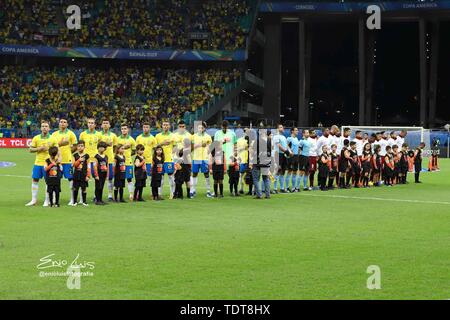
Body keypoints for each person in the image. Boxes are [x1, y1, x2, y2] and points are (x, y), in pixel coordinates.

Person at [26, 120, 59, 207]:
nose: (44, 128)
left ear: (49, 128)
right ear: (41, 128)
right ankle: (33, 200)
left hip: (48, 164)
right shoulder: (36, 138)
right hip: (37, 163)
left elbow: (57, 151)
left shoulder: (53, 139)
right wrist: (39, 149)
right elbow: (30, 149)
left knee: (48, 182)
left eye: (46, 126)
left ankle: (47, 200)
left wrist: (56, 161)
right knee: (35, 180)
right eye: (43, 126)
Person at [51, 118, 77, 205]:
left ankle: (72, 199)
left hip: (68, 161)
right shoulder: (54, 134)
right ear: (59, 124)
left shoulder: (71, 134)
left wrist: (70, 152)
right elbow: (52, 147)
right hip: (57, 161)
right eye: (61, 122)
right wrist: (60, 144)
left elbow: (75, 145)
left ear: (67, 124)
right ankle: (54, 198)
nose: (63, 123)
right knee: (56, 180)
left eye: (64, 122)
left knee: (71, 179)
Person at [155, 120, 176, 199]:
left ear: (169, 126)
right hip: (160, 160)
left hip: (169, 160)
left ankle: (172, 193)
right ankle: (159, 194)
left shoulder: (173, 136)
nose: (165, 126)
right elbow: (155, 147)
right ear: (162, 126)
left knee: (171, 177)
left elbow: (175, 147)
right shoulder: (158, 136)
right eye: (164, 125)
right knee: (161, 177)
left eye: (167, 125)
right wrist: (162, 144)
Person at [249, 129, 272, 199]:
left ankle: (259, 194)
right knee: (266, 178)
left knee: (256, 179)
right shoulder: (269, 140)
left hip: (258, 162)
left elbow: (253, 151)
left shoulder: (257, 140)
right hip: (266, 161)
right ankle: (267, 194)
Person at [173, 120, 193, 199]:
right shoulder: (174, 135)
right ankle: (178, 193)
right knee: (177, 177)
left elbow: (191, 147)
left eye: (183, 126)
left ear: (185, 127)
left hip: (186, 159)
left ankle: (188, 194)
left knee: (187, 178)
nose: (181, 128)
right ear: (178, 127)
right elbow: (174, 147)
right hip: (177, 159)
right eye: (180, 126)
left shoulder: (189, 135)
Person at [79, 118, 102, 187]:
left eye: (92, 123)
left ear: (95, 125)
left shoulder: (99, 134)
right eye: (89, 123)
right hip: (86, 159)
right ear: (87, 124)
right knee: (84, 177)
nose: (90, 124)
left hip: (96, 159)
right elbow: (80, 147)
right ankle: (83, 195)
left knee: (96, 177)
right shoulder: (82, 134)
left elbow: (101, 147)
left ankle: (96, 196)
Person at [117, 123, 137, 200]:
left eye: (125, 129)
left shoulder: (131, 139)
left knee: (129, 179)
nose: (124, 130)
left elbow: (134, 151)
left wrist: (127, 156)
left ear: (128, 130)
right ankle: (119, 194)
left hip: (128, 162)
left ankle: (131, 194)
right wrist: (124, 148)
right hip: (120, 163)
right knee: (119, 179)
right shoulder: (118, 139)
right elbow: (115, 150)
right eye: (122, 129)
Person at [99, 119, 118, 201]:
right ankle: (97, 195)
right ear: (101, 125)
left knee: (110, 178)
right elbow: (98, 145)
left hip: (110, 160)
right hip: (100, 160)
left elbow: (115, 147)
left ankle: (110, 195)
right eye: (104, 123)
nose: (105, 124)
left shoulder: (113, 135)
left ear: (110, 125)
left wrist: (114, 155)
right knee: (99, 178)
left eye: (107, 123)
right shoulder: (98, 135)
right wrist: (107, 144)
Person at [136, 122, 156, 193]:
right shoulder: (138, 138)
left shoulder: (153, 138)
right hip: (141, 162)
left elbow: (155, 151)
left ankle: (152, 193)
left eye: (147, 127)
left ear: (149, 128)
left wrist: (154, 161)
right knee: (139, 177)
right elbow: (137, 150)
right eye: (144, 127)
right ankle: (138, 193)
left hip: (149, 161)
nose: (145, 129)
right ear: (142, 128)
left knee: (151, 177)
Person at [71, 140, 90, 206]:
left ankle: (84, 202)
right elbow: (73, 165)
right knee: (75, 188)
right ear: (77, 147)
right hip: (76, 174)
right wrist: (79, 160)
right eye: (79, 146)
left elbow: (88, 166)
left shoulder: (87, 156)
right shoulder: (75, 155)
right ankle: (75, 201)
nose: (80, 147)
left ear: (84, 147)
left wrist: (88, 175)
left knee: (84, 188)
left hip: (84, 175)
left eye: (82, 146)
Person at [272, 124, 290, 193]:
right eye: (280, 127)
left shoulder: (284, 137)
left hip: (283, 155)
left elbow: (286, 146)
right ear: (277, 129)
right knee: (277, 171)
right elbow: (278, 145)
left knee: (282, 172)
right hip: (278, 155)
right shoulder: (276, 136)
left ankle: (282, 188)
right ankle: (275, 189)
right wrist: (285, 151)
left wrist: (289, 151)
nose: (282, 128)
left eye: (282, 127)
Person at [93, 141, 109, 205]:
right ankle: (97, 200)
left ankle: (100, 199)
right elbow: (95, 166)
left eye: (103, 147)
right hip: (98, 174)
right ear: (98, 148)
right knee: (98, 187)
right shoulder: (96, 156)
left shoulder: (106, 156)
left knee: (101, 187)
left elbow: (107, 165)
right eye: (100, 147)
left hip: (104, 173)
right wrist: (96, 175)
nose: (101, 149)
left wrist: (107, 175)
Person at [286, 127, 300, 192]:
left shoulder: (297, 139)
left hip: (296, 157)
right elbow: (285, 145)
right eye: (296, 130)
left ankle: (293, 188)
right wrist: (289, 151)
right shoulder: (289, 138)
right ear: (292, 131)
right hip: (291, 157)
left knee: (295, 172)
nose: (297, 131)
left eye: (297, 130)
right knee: (289, 172)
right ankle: (287, 187)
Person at [236, 128, 249, 194]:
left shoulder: (251, 140)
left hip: (249, 161)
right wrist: (245, 147)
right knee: (241, 175)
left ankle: (251, 190)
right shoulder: (239, 140)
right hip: (242, 160)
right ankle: (241, 188)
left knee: (250, 175)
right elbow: (237, 150)